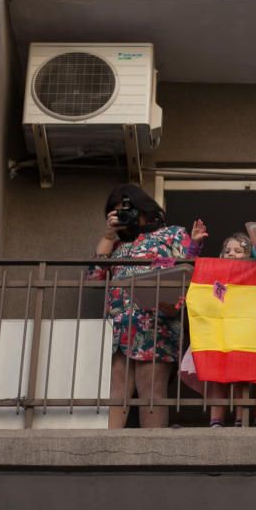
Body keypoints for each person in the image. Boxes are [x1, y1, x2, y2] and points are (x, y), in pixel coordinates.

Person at [89, 184, 204, 429]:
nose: (124, 216)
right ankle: (105, 452)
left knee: (151, 391)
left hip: (157, 323)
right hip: (120, 327)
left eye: (127, 210)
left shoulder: (171, 234)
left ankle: (153, 452)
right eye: (117, 212)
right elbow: (94, 277)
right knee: (116, 392)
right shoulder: (117, 246)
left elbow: (189, 270)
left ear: (144, 208)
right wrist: (109, 235)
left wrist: (194, 246)